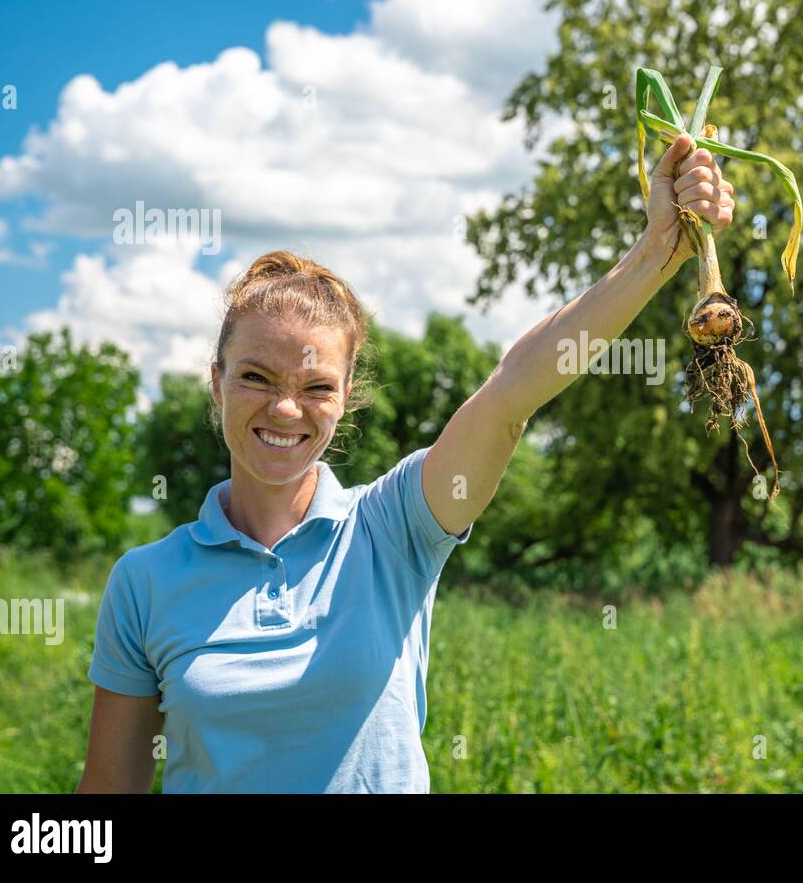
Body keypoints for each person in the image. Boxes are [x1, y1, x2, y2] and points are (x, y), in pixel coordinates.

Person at [76, 132, 735, 792]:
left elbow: (511, 395)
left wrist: (658, 250)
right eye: (255, 377)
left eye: (315, 388)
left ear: (345, 401)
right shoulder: (145, 582)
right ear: (216, 383)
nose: (284, 409)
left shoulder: (393, 527)